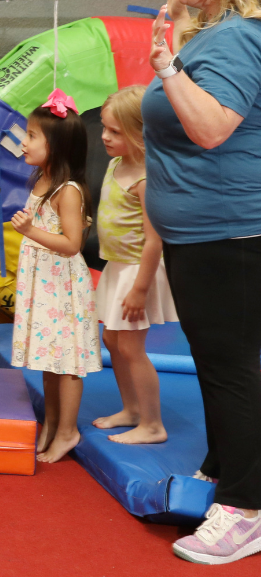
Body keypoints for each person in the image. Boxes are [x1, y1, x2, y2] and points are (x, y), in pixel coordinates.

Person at [144, 0, 261, 565]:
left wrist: (166, 69)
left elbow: (213, 127)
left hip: (228, 233)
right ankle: (227, 473)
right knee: (224, 364)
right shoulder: (216, 33)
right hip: (203, 233)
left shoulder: (240, 38)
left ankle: (246, 510)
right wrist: (176, 20)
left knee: (229, 368)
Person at [10, 89, 101, 464]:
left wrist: (31, 231)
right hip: (42, 281)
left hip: (62, 285)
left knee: (68, 362)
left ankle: (68, 431)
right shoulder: (41, 181)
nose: (24, 141)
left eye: (32, 135)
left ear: (57, 147)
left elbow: (72, 244)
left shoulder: (69, 191)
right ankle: (50, 423)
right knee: (48, 359)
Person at [92, 85, 177, 445]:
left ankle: (153, 424)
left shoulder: (146, 177)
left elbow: (155, 239)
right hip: (116, 265)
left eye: (115, 131)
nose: (105, 137)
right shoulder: (115, 164)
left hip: (137, 270)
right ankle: (131, 410)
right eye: (104, 127)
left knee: (131, 347)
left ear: (141, 134)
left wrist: (140, 288)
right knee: (112, 340)